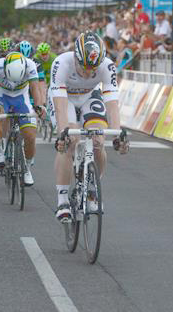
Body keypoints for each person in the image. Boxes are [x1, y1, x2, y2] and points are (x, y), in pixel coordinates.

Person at [49, 31, 128, 222]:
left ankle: (92, 189)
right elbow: (59, 107)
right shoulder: (61, 63)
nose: (87, 73)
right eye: (83, 67)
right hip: (64, 97)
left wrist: (117, 135)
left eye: (92, 69)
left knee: (99, 140)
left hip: (89, 97)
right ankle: (62, 200)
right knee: (71, 140)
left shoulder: (107, 66)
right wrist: (62, 135)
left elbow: (112, 104)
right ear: (76, 57)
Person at [0, 52, 45, 186]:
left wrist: (39, 107)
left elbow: (35, 89)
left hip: (21, 97)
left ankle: (27, 168)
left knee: (30, 136)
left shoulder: (30, 65)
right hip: (3, 95)